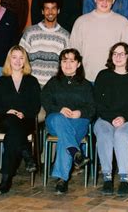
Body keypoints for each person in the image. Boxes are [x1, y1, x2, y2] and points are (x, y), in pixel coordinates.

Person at [93, 43, 128, 197]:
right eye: (115, 53)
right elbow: (97, 103)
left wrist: (124, 118)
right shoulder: (103, 75)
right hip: (106, 119)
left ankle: (124, 179)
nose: (118, 57)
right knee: (104, 133)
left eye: (122, 53)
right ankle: (107, 177)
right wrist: (111, 118)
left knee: (121, 135)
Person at [41, 48, 94, 194]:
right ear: (60, 64)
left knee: (66, 136)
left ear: (78, 64)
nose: (68, 64)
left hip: (78, 121)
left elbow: (92, 108)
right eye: (64, 61)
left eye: (72, 61)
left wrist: (80, 112)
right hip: (55, 120)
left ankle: (62, 180)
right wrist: (59, 109)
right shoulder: (53, 82)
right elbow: (45, 100)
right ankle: (75, 153)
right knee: (60, 119)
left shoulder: (86, 85)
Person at [0, 46, 40, 195]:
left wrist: (24, 113)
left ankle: (6, 179)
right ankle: (26, 152)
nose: (17, 61)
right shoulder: (1, 81)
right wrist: (8, 111)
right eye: (14, 57)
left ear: (25, 61)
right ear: (9, 60)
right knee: (12, 124)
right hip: (4, 119)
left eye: (21, 57)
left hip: (25, 120)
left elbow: (36, 104)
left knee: (13, 136)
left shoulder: (32, 81)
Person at [70, 0, 128, 82]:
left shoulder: (123, 22)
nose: (104, 2)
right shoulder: (81, 22)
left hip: (114, 79)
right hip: (86, 79)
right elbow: (73, 52)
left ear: (113, 0)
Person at [20, 0, 70, 88]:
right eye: (47, 8)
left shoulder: (65, 36)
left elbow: (68, 64)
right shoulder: (30, 32)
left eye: (53, 8)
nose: (50, 12)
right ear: (42, 11)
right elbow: (21, 59)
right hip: (32, 85)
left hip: (54, 86)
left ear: (58, 10)